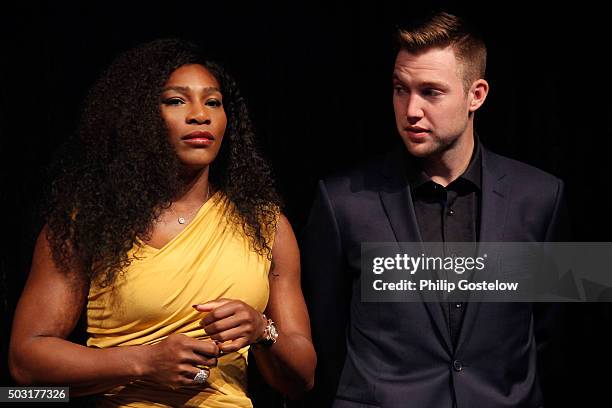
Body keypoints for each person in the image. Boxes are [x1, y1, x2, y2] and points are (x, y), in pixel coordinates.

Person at [9, 38, 315, 407]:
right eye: (176, 100)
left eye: (213, 102)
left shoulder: (266, 226)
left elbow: (302, 380)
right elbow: (25, 366)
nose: (200, 115)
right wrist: (144, 362)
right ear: (139, 118)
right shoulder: (88, 223)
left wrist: (261, 330)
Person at [301, 11, 567, 408]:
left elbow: (554, 334)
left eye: (431, 92)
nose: (410, 110)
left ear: (476, 95)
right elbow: (323, 336)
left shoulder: (542, 195)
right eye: (400, 89)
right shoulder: (342, 201)